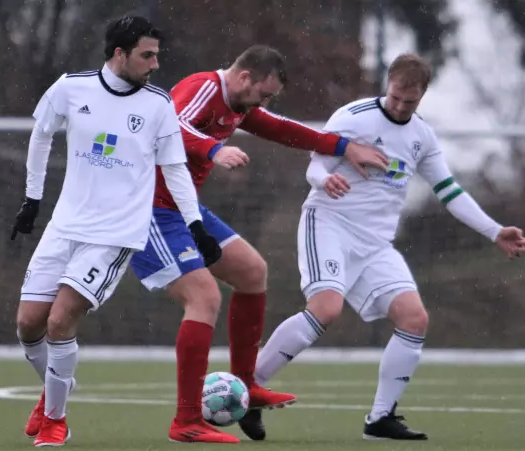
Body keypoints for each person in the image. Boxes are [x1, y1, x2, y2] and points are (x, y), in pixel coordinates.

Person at [252, 53, 525, 440]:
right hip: (329, 224)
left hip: (376, 245)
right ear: (388, 84)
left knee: (414, 319)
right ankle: (250, 387)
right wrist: (324, 181)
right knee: (326, 309)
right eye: (396, 96)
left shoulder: (422, 137)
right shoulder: (354, 117)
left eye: (409, 101)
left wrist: (494, 231)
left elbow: (449, 191)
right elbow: (315, 166)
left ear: (422, 96)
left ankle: (380, 418)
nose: (399, 106)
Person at [129, 44, 389, 443]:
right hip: (149, 210)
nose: (263, 104)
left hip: (183, 209)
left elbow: (282, 129)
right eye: (263, 94)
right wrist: (214, 149)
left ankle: (246, 384)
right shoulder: (204, 88)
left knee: (252, 271)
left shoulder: (239, 104)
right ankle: (186, 420)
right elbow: (171, 127)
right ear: (245, 77)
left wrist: (342, 146)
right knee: (204, 298)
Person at [12, 16, 221, 447]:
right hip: (65, 225)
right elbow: (41, 135)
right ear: (120, 54)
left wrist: (196, 225)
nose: (155, 64)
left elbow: (175, 169)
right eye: (147, 55)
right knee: (28, 324)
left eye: (157, 55)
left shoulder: (158, 104)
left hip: (116, 233)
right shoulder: (71, 87)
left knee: (60, 320)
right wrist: (32, 198)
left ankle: (55, 420)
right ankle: (56, 388)